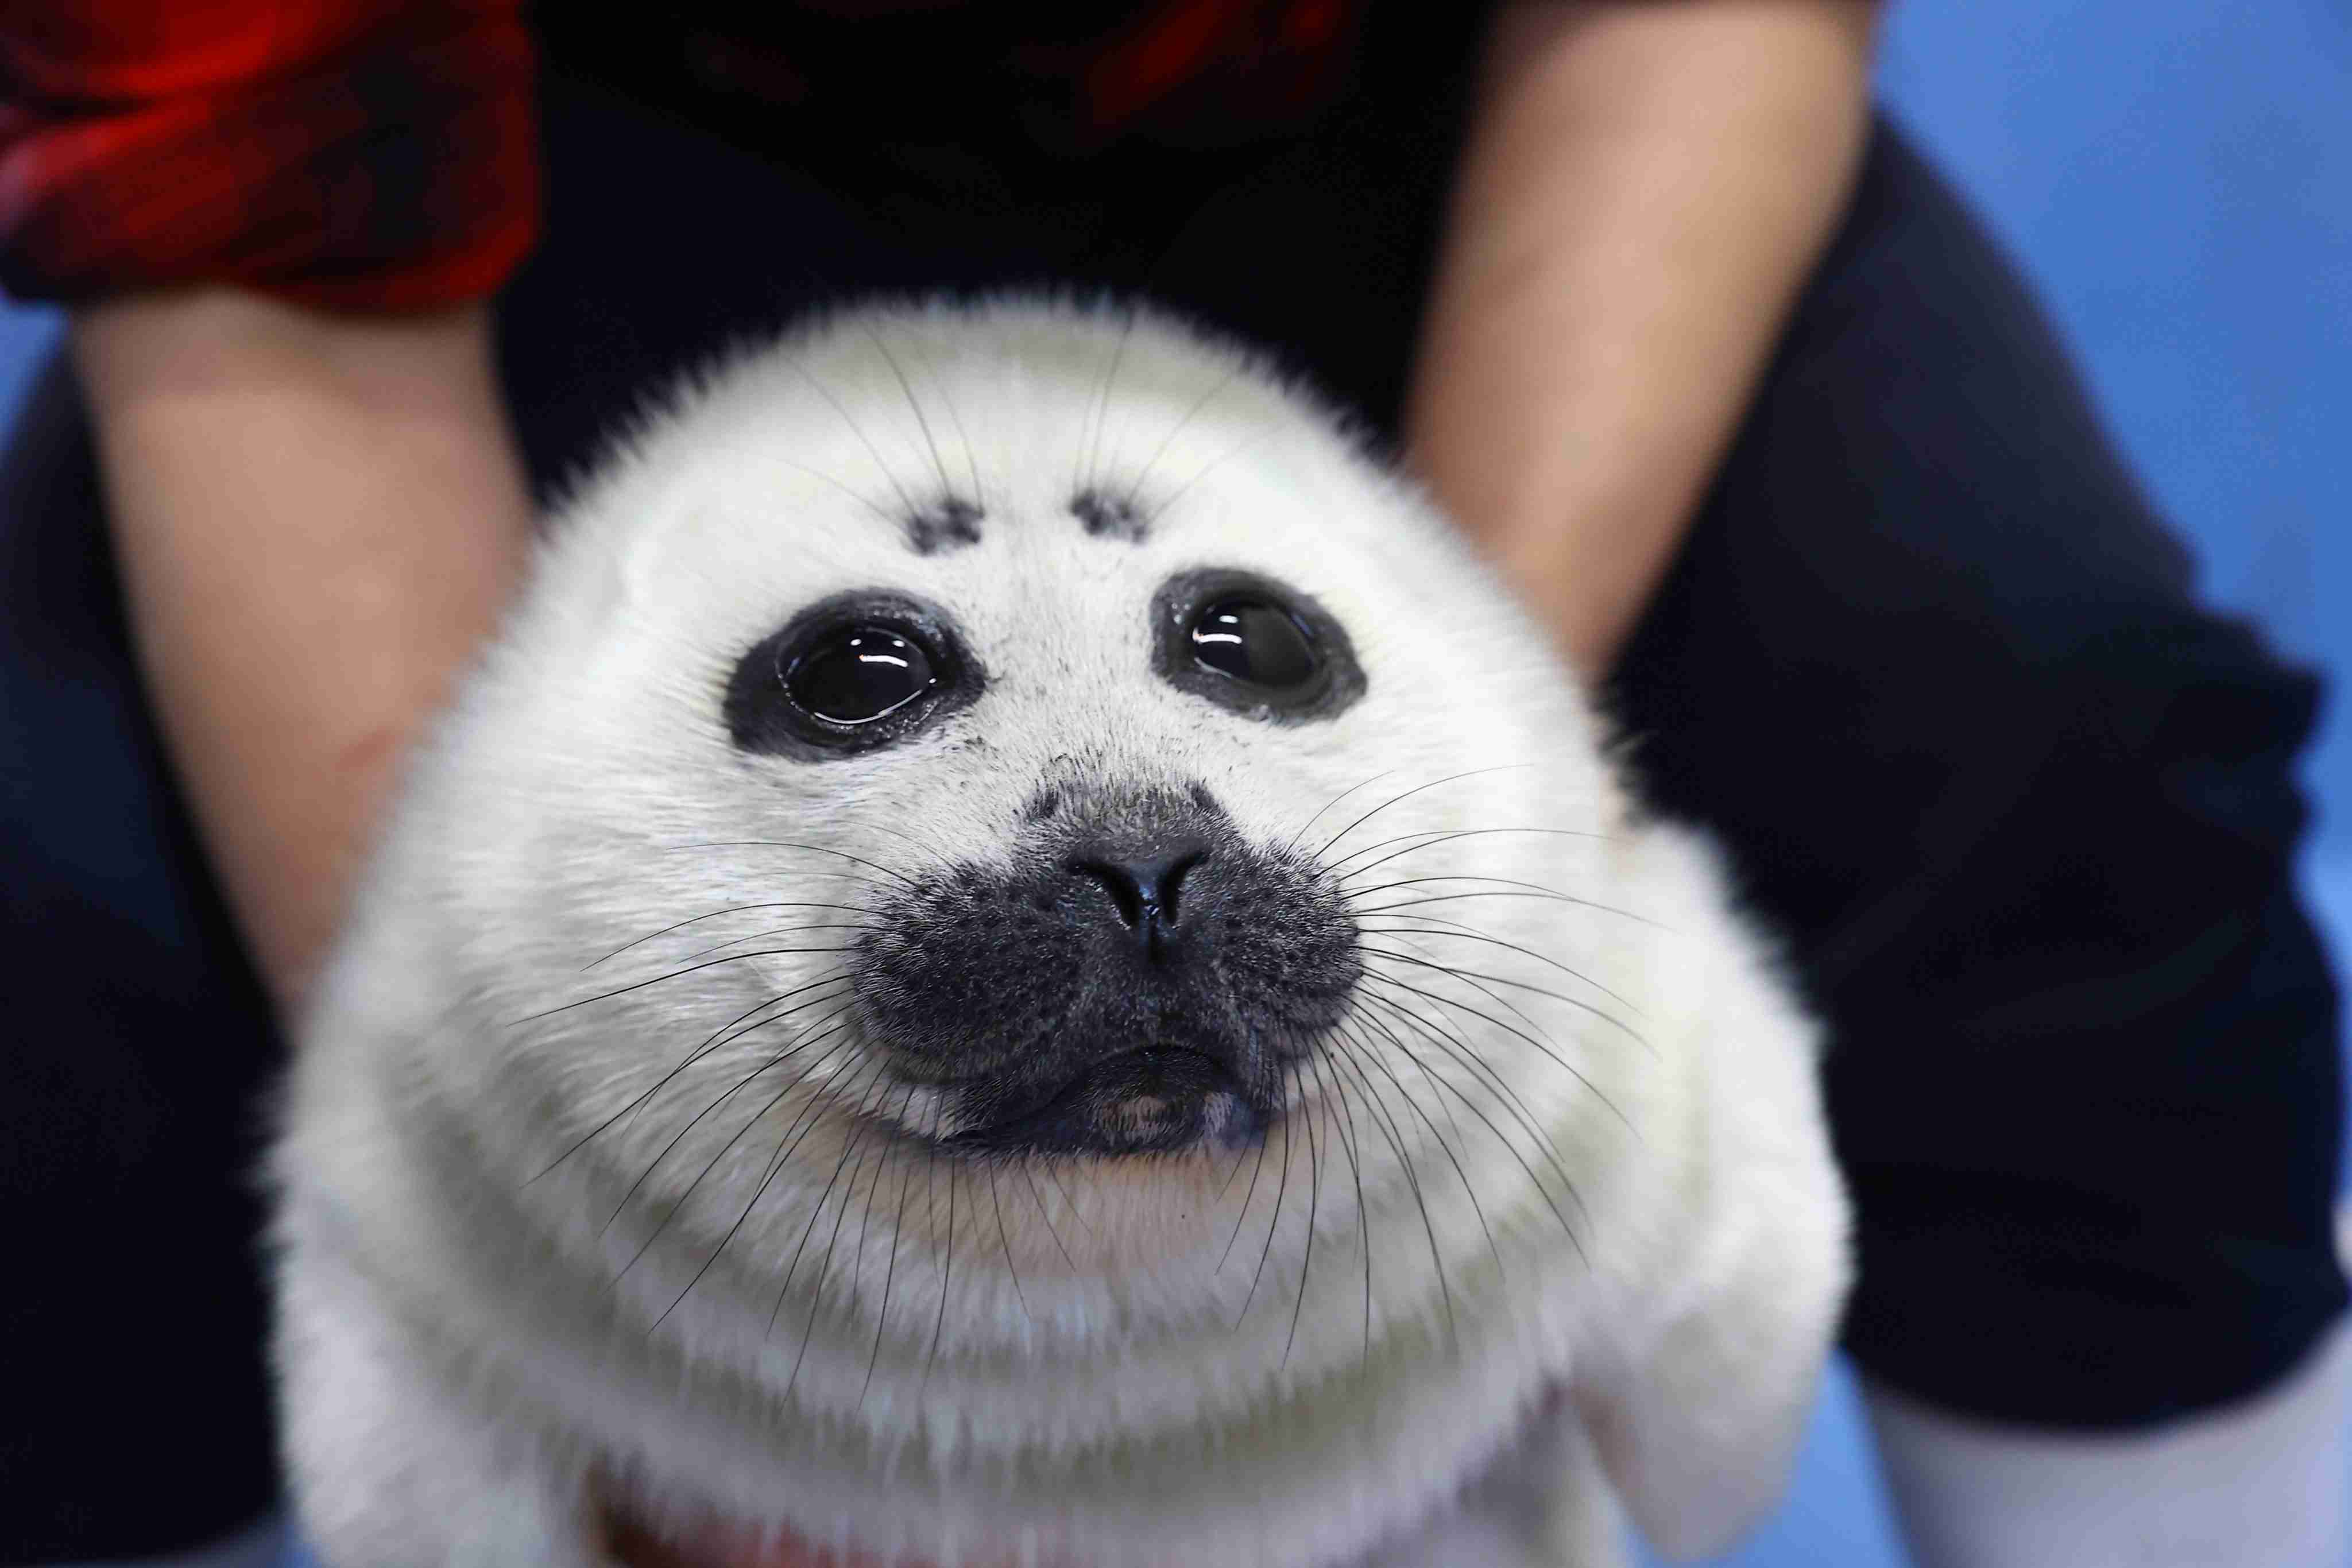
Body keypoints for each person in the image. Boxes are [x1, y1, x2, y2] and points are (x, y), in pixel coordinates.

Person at [3, 4, 2343, 1565]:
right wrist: (569, 1256)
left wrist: (1500, 825)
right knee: (64, 970)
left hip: (1445, 110)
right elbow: (259, 198)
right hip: (530, 149)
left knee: (2043, 746)